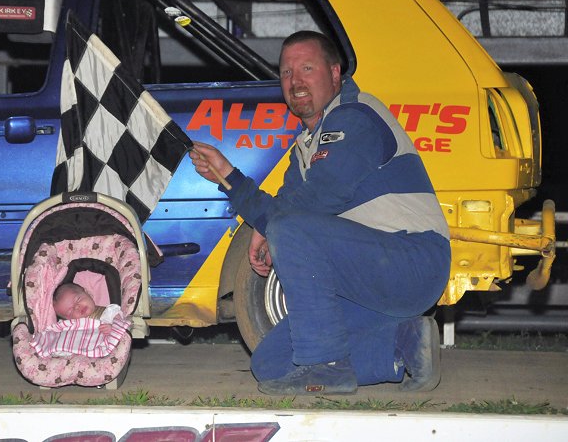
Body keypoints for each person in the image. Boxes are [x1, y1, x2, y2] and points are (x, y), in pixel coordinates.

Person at [190, 31, 451, 395]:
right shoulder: (306, 149)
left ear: (334, 73)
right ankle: (403, 344)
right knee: (270, 364)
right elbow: (282, 209)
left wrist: (270, 228)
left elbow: (316, 201)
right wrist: (228, 175)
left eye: (307, 68)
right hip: (368, 284)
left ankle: (326, 365)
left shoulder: (355, 117)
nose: (295, 81)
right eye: (285, 73)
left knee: (291, 229)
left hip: (412, 262)